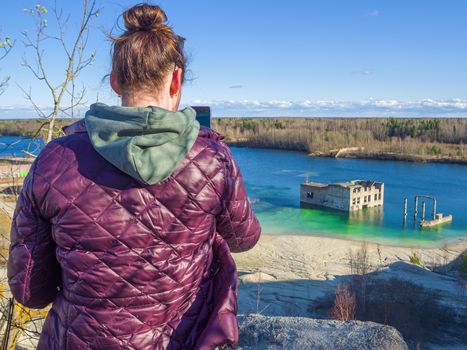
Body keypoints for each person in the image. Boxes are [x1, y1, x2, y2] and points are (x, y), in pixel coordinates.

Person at [7, 3, 261, 349]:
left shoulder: (56, 159)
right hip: (182, 340)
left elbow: (29, 291)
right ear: (176, 80)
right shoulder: (213, 159)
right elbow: (244, 239)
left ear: (114, 81)